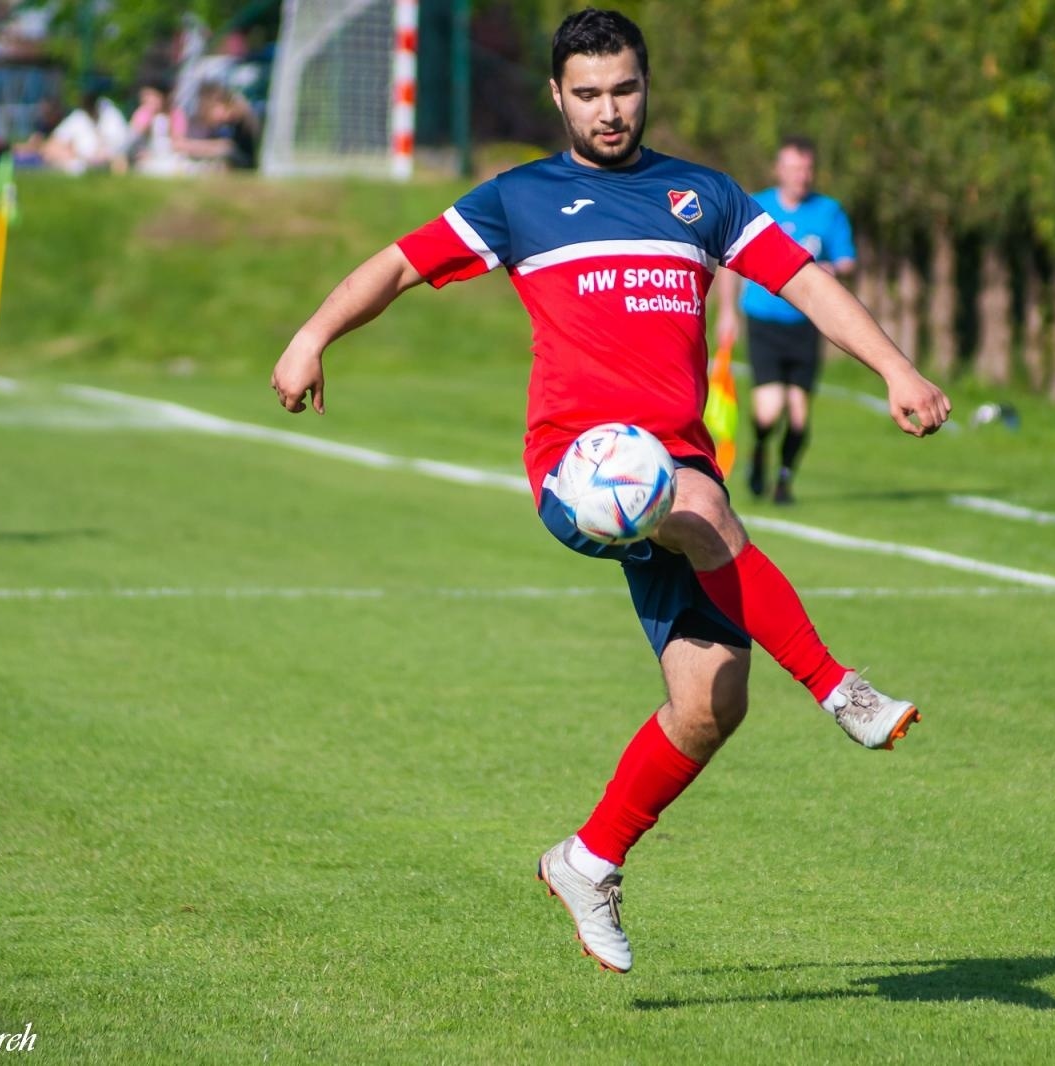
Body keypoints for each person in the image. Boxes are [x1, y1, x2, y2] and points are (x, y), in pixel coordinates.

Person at [269, 9, 951, 975]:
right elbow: (398, 264)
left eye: (623, 89)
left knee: (712, 701)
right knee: (703, 510)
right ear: (557, 96)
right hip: (578, 469)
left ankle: (587, 860)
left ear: (645, 85)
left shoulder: (701, 196)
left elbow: (800, 282)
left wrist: (895, 369)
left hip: (678, 467)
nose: (608, 110)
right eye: (587, 94)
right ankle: (841, 689)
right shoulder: (521, 200)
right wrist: (310, 336)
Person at [713, 137, 855, 504]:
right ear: (779, 170)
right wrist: (728, 311)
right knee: (768, 409)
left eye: (806, 169)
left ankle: (784, 481)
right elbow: (729, 261)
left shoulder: (828, 212)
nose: (801, 176)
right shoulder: (757, 206)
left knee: (798, 416)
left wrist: (832, 269)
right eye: (793, 168)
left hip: (807, 324)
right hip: (764, 321)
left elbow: (847, 260)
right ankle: (759, 452)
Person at [43, 91, 131, 175]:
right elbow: (53, 144)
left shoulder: (111, 115)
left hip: (106, 162)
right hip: (82, 161)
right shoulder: (79, 116)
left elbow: (122, 148)